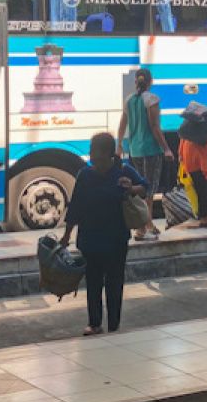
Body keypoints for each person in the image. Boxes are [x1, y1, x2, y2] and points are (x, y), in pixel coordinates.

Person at [60, 132, 146, 335]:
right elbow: (76, 207)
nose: (91, 154)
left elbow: (145, 188)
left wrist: (131, 187)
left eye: (94, 150)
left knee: (115, 283)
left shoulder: (123, 172)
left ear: (107, 152)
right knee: (93, 282)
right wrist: (66, 236)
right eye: (90, 150)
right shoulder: (85, 175)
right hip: (90, 238)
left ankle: (114, 324)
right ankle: (95, 323)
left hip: (116, 238)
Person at [117, 68, 170, 241]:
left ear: (136, 82)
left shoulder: (129, 100)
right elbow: (155, 127)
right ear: (150, 81)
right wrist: (166, 148)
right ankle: (143, 227)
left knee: (140, 187)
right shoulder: (151, 99)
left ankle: (148, 224)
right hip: (151, 150)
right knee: (148, 190)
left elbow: (122, 125)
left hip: (135, 150)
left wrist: (119, 145)